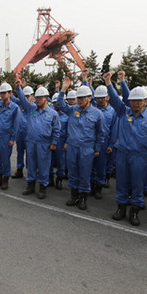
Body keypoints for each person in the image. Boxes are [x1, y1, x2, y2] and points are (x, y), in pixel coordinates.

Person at [103, 72, 147, 226]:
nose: (135, 103)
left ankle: (134, 210)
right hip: (122, 154)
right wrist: (109, 82)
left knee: (137, 184)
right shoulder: (123, 112)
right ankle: (121, 208)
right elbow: (115, 98)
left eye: (139, 101)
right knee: (121, 182)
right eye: (133, 101)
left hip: (140, 156)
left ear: (146, 101)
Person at [57, 77, 107, 210]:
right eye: (78, 98)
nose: (79, 101)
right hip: (72, 147)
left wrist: (97, 148)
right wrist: (63, 89)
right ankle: (74, 196)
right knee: (73, 172)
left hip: (87, 149)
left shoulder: (97, 114)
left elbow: (101, 133)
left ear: (89, 98)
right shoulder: (73, 110)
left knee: (85, 173)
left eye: (82, 98)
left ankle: (83, 197)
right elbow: (60, 104)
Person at [15, 81, 60, 198]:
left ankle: (42, 187)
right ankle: (30, 185)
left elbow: (56, 129)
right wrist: (18, 88)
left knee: (43, 166)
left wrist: (54, 143)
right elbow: (23, 99)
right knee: (31, 164)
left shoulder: (53, 114)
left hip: (44, 144)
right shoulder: (31, 109)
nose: (37, 100)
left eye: (40, 98)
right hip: (31, 142)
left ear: (46, 99)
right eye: (36, 98)